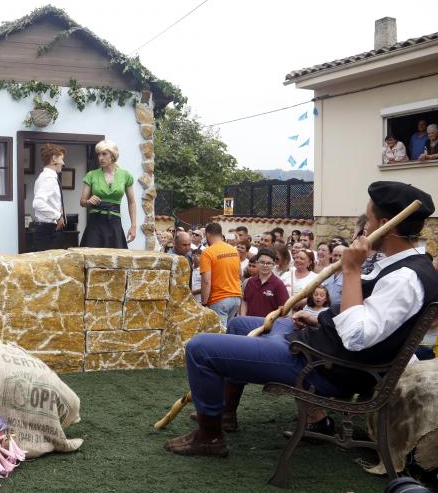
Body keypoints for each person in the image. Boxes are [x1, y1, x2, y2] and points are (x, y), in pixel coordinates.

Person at [165, 180, 438, 457]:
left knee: (200, 348)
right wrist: (321, 320)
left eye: (368, 220)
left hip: (324, 365)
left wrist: (352, 269)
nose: (364, 228)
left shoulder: (405, 278)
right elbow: (370, 320)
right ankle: (224, 415)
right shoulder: (402, 266)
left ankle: (209, 437)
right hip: (324, 348)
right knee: (238, 324)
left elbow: (357, 338)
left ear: (384, 224)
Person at [79, 139, 137, 248]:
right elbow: (82, 202)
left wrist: (133, 226)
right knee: (92, 259)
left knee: (116, 261)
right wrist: (88, 201)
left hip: (115, 223)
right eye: (99, 154)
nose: (100, 158)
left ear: (113, 155)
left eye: (104, 154)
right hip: (95, 224)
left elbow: (132, 202)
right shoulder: (91, 175)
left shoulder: (126, 175)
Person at [200, 223, 242, 327]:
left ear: (207, 235)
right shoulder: (234, 250)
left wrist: (204, 303)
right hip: (236, 298)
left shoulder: (207, 252)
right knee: (229, 333)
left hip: (219, 299)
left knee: (220, 335)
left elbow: (206, 281)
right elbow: (240, 273)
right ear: (220, 233)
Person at [31, 143, 66, 251]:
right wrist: (58, 216)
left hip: (47, 230)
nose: (63, 163)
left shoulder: (47, 177)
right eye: (62, 159)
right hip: (48, 231)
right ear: (54, 159)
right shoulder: (49, 179)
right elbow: (37, 203)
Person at [240, 248, 289, 317]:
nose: (265, 265)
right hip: (248, 324)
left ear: (273, 264)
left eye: (268, 263)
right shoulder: (250, 282)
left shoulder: (278, 284)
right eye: (262, 262)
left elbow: (283, 309)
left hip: (267, 326)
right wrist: (243, 318)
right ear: (257, 263)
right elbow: (244, 302)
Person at [322, 244, 347, 313]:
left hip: (340, 312)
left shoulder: (349, 274)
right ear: (331, 256)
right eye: (335, 255)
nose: (337, 258)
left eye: (340, 256)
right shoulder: (325, 271)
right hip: (324, 310)